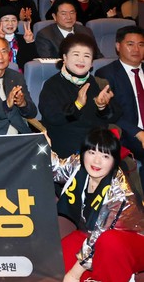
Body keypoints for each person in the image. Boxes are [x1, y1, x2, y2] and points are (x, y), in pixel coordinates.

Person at [53, 128, 144, 281]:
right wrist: (41, 145)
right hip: (90, 235)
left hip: (130, 242)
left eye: (105, 156)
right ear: (83, 153)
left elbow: (99, 236)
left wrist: (74, 275)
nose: (96, 161)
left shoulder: (119, 191)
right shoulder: (79, 165)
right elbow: (55, 167)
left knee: (109, 241)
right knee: (54, 267)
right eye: (92, 152)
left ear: (114, 160)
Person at [41, 35, 120, 157]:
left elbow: (115, 116)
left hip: (97, 146)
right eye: (76, 54)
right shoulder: (52, 84)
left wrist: (102, 107)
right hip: (67, 147)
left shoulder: (97, 83)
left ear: (92, 63)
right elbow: (53, 117)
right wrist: (77, 105)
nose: (81, 60)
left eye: (87, 56)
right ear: (65, 58)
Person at [95, 26, 144, 182]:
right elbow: (111, 113)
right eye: (130, 44)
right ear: (118, 46)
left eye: (141, 45)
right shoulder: (106, 74)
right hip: (128, 135)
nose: (136, 49)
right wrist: (139, 133)